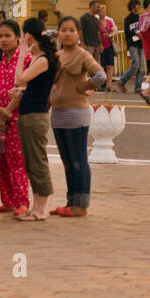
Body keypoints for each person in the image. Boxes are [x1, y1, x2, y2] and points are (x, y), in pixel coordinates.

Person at [50, 15, 104, 217]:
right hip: (58, 113)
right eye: (63, 30)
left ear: (78, 33)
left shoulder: (81, 55)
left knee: (78, 159)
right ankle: (71, 201)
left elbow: (100, 76)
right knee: (66, 160)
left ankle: (81, 205)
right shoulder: (57, 55)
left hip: (76, 113)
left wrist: (86, 86)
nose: (67, 34)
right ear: (58, 32)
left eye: (72, 30)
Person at [12, 17, 59, 222]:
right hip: (29, 114)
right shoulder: (40, 59)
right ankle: (36, 207)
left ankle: (40, 209)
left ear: (28, 36)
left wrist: (22, 53)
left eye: (23, 36)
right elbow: (31, 85)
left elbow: (19, 78)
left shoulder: (42, 60)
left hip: (35, 116)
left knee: (37, 161)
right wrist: (23, 89)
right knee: (32, 162)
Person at [0, 19, 30, 215]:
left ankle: (22, 202)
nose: (3, 40)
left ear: (18, 38)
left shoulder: (26, 60)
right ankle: (7, 200)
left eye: (7, 36)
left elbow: (24, 89)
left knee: (17, 161)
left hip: (16, 119)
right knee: (1, 160)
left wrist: (6, 113)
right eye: (0, 36)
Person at [118, 0, 144, 94]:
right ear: (133, 6)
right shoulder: (127, 19)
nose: (139, 6)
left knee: (141, 67)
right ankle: (122, 81)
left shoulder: (140, 18)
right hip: (132, 44)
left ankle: (138, 87)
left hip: (141, 44)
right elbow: (127, 31)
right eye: (138, 5)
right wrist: (135, 33)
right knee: (136, 64)